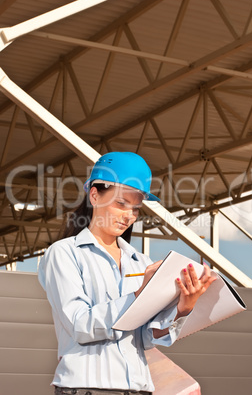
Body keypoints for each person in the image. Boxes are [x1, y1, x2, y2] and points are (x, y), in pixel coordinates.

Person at [38, 152, 216, 395]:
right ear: (94, 195)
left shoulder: (141, 262)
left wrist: (183, 308)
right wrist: (139, 293)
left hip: (137, 389)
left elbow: (145, 338)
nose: (128, 216)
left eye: (136, 208)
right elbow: (80, 325)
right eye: (121, 204)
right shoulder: (64, 254)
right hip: (86, 388)